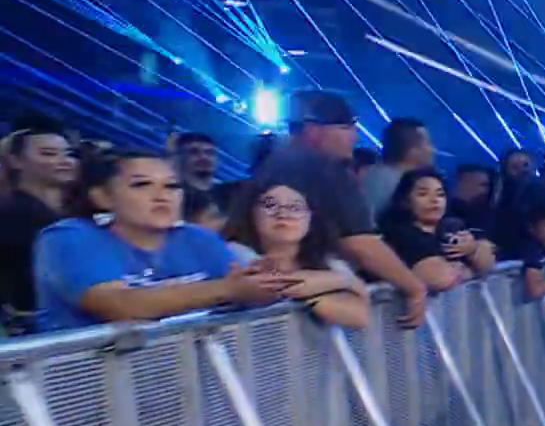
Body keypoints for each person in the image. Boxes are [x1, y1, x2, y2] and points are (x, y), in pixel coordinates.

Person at [33, 152, 294, 332]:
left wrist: (263, 282)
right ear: (102, 197)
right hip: (87, 385)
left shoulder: (196, 238)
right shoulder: (69, 237)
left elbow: (242, 291)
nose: (161, 196)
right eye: (141, 185)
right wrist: (228, 288)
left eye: (172, 186)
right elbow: (120, 305)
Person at [252, 90, 430, 326]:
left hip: (271, 303)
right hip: (299, 296)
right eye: (347, 128)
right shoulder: (326, 171)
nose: (355, 137)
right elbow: (360, 245)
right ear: (314, 131)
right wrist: (414, 287)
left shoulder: (270, 165)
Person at [223, 178, 371, 329]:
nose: (283, 213)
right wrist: (338, 282)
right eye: (270, 205)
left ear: (311, 217)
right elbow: (274, 285)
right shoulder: (235, 252)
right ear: (251, 212)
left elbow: (361, 317)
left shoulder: (326, 261)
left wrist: (339, 280)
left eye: (296, 207)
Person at [0, 119, 78, 332]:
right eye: (48, 154)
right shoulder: (12, 214)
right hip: (33, 329)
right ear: (16, 161)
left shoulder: (74, 213)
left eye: (69, 154)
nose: (64, 161)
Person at [380, 168, 496, 292]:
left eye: (440, 194)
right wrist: (471, 270)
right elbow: (439, 278)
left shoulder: (453, 227)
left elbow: (489, 263)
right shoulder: (401, 235)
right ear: (405, 201)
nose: (434, 200)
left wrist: (473, 250)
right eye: (423, 194)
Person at [363, 117, 436, 215]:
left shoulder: (373, 175)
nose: (432, 150)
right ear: (412, 152)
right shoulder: (399, 188)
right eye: (428, 144)